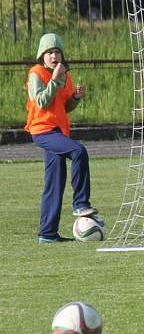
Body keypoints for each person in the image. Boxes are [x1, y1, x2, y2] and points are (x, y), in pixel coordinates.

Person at [25, 32, 99, 244]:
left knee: (54, 181)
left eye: (57, 51)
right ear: (42, 55)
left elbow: (64, 107)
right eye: (49, 52)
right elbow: (41, 102)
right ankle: (81, 203)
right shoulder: (36, 73)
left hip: (58, 132)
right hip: (42, 130)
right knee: (79, 151)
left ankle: (47, 234)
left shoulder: (64, 74)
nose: (54, 55)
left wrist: (75, 98)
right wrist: (55, 81)